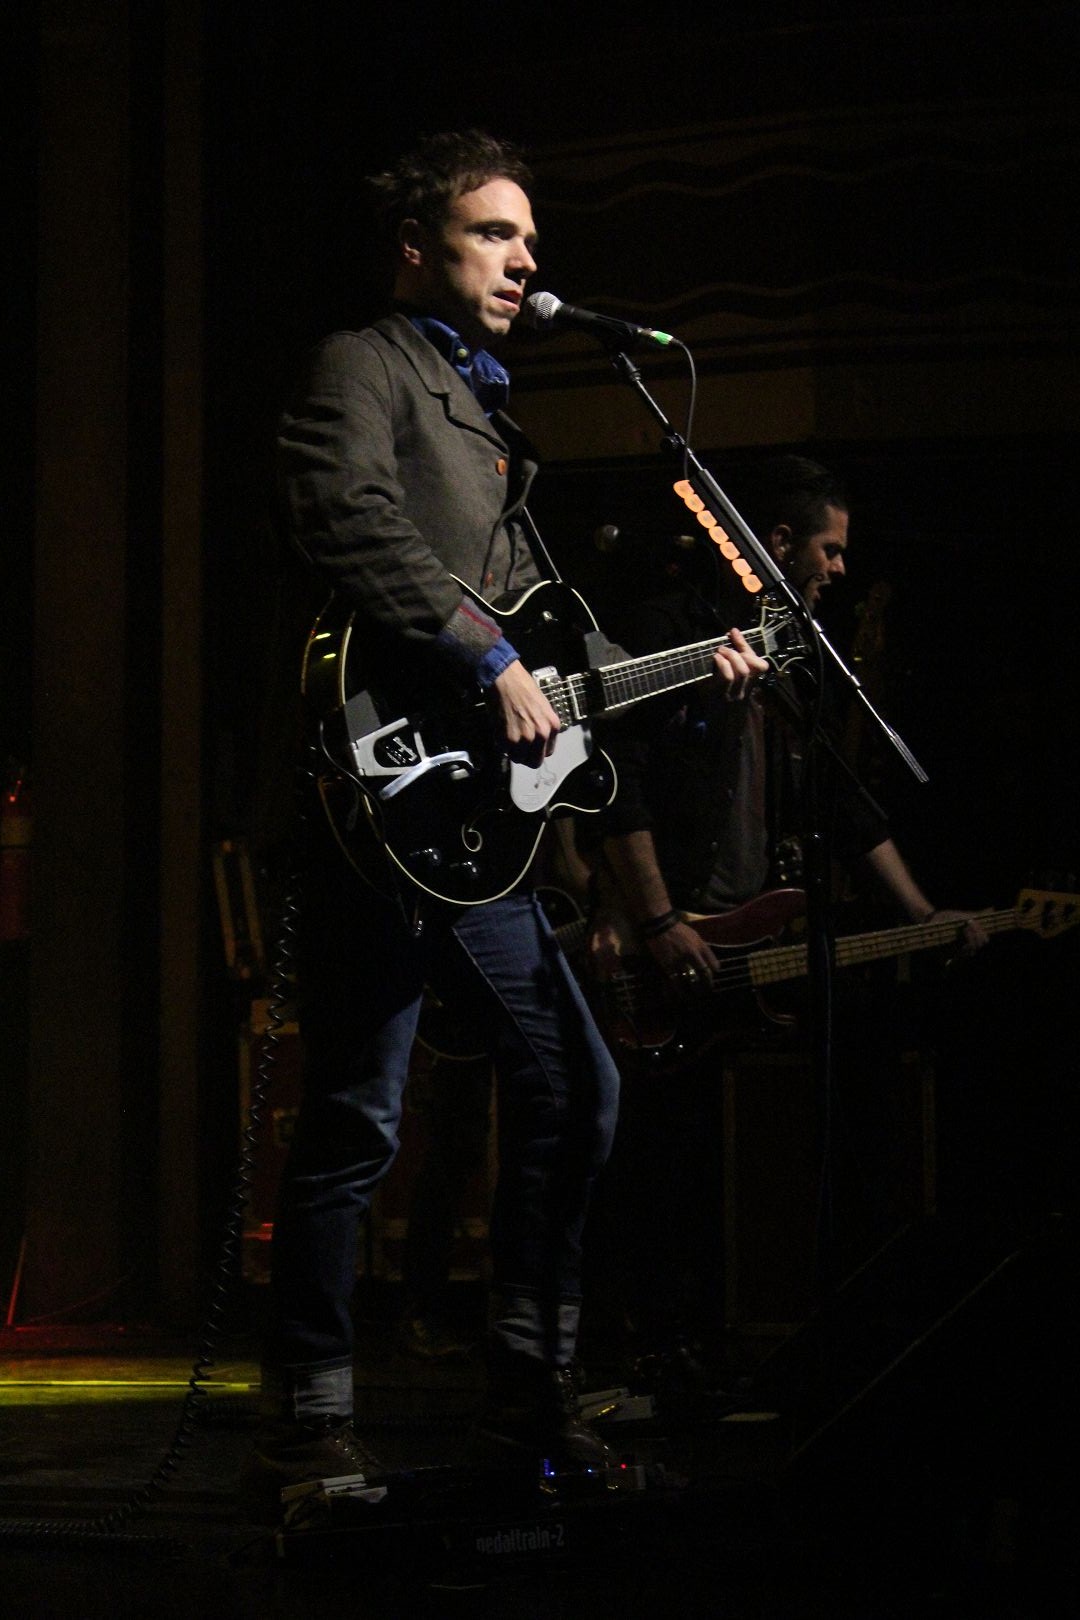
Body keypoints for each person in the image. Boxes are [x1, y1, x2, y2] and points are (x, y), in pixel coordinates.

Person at [244, 129, 765, 1505]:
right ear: (416, 246)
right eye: (494, 233)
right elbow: (341, 511)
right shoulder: (364, 364)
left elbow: (559, 663)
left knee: (578, 1088)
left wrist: (689, 672)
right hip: (389, 801)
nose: (526, 259)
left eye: (530, 238)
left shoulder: (489, 415)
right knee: (359, 1117)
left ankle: (529, 1404)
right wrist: (486, 654)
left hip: (482, 838)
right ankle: (309, 1424)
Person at [584, 454, 987, 1366]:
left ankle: (714, 1338)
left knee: (729, 1152)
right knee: (646, 1158)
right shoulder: (670, 632)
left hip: (742, 939)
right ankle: (626, 1345)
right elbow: (616, 784)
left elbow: (845, 807)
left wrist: (923, 915)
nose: (839, 568)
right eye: (829, 550)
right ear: (776, 543)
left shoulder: (793, 663)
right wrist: (657, 920)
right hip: (664, 938)